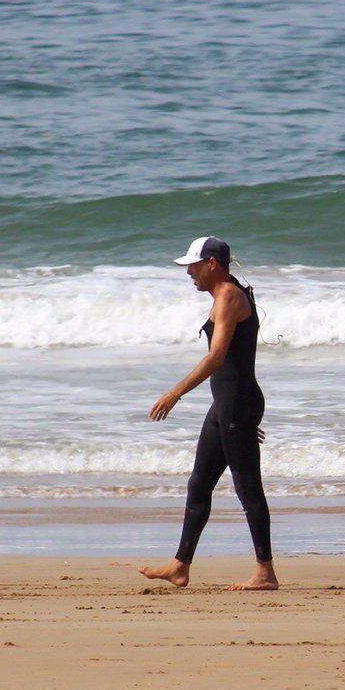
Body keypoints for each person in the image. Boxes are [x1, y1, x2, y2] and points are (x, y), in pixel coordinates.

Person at [138, 236, 278, 591]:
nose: (189, 273)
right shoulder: (225, 296)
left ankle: (265, 573)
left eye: (193, 266)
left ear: (212, 264)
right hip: (230, 405)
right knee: (199, 484)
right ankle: (179, 566)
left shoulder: (229, 296)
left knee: (247, 487)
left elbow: (217, 357)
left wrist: (175, 393)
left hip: (236, 403)